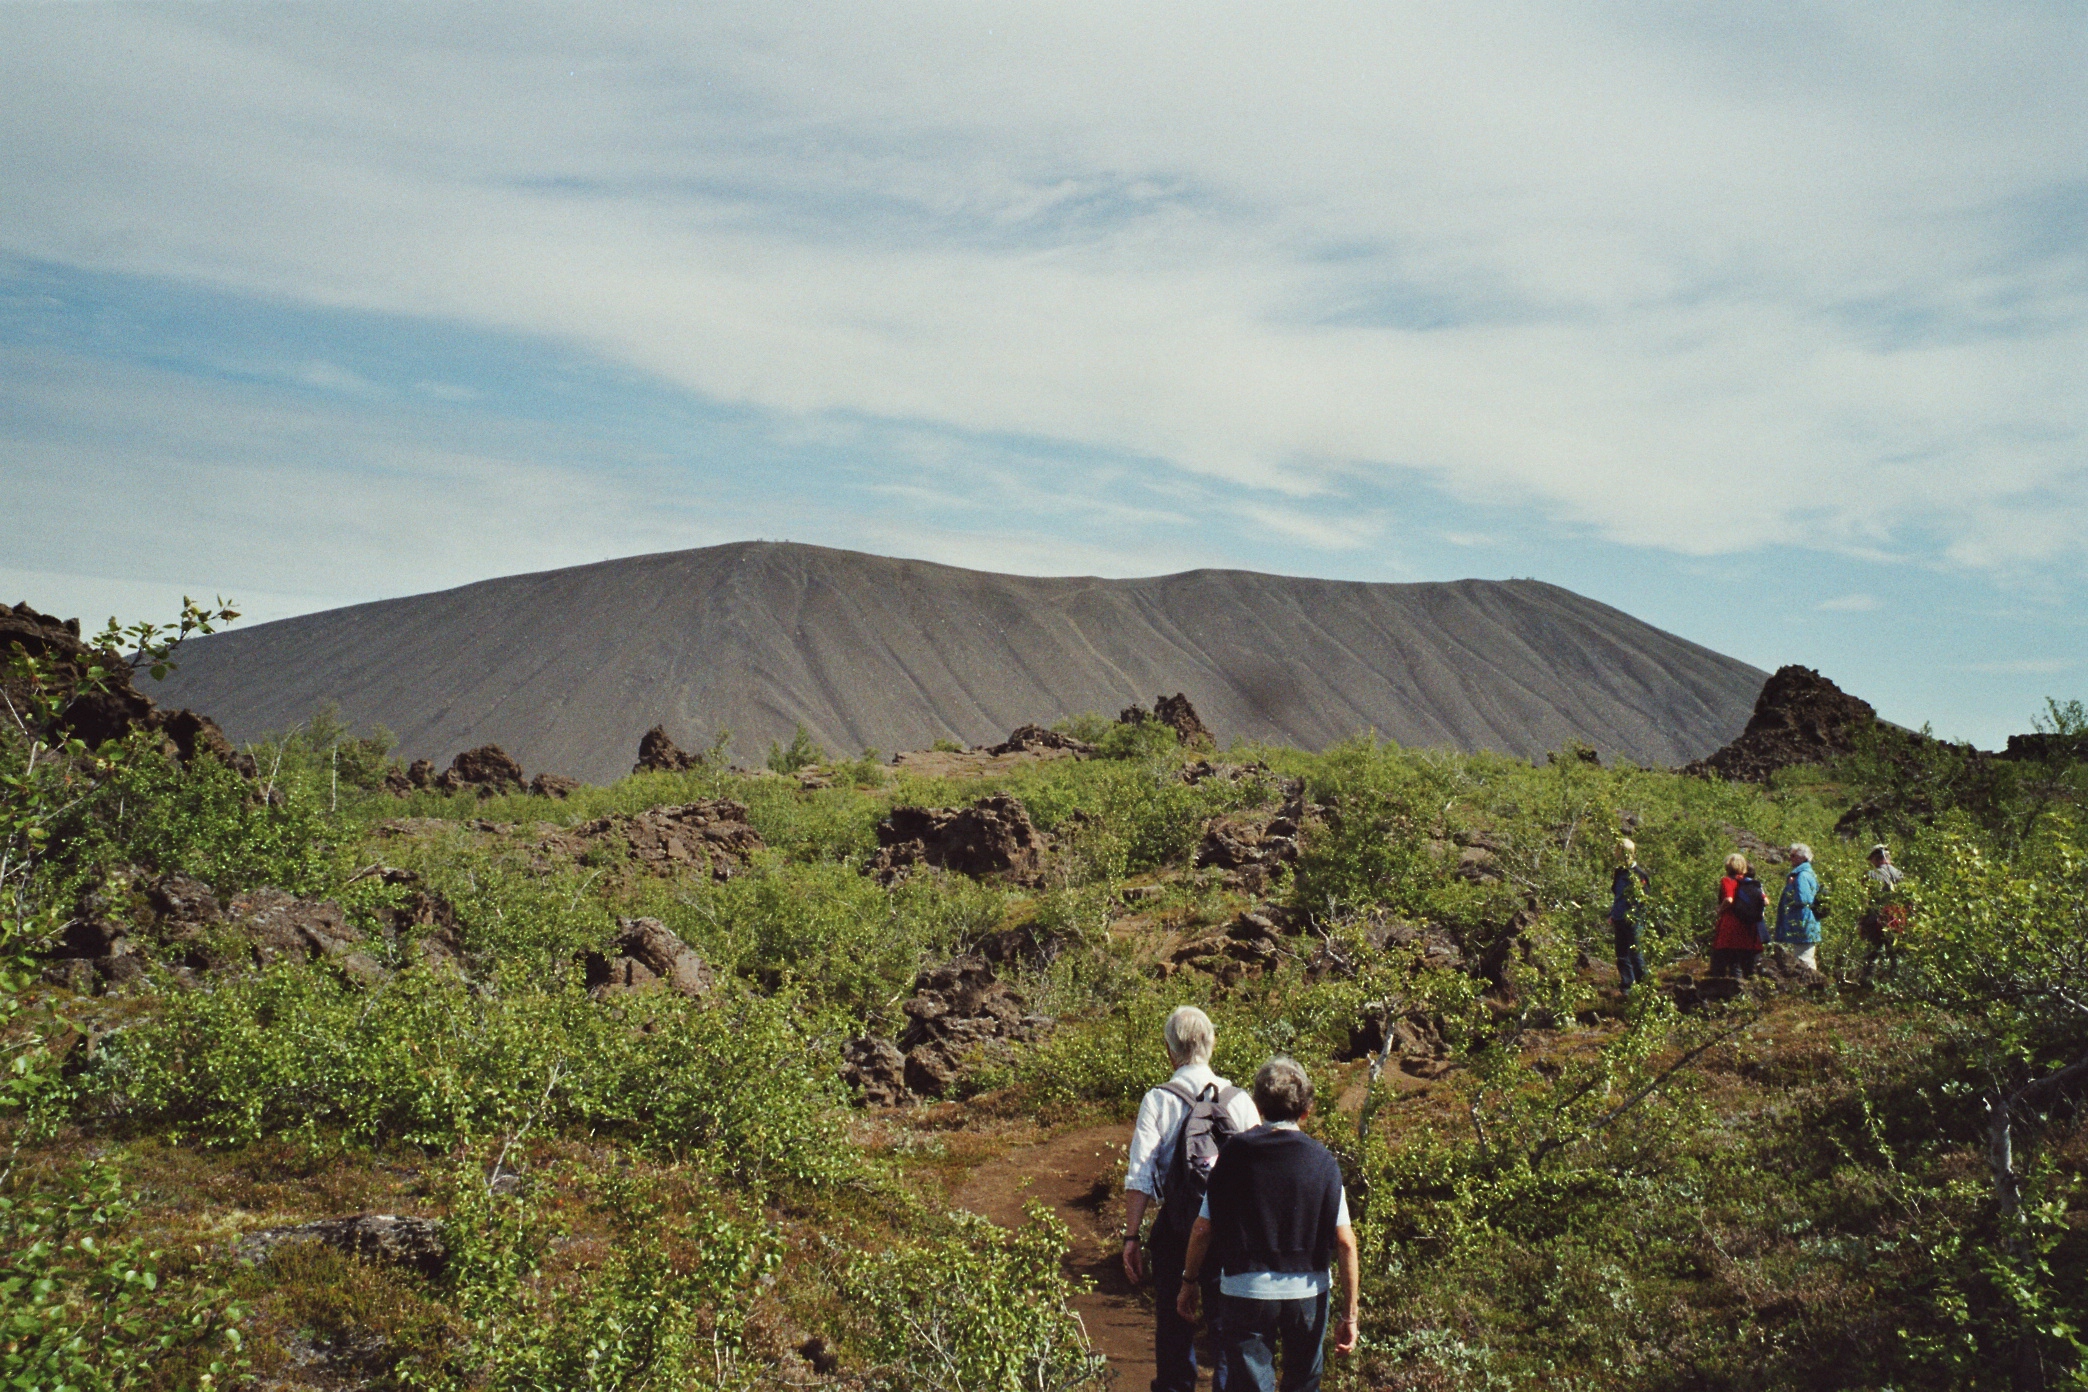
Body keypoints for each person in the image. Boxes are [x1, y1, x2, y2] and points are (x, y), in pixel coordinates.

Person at [1175, 1058, 1359, 1392]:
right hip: (1308, 1291)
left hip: (1246, 1290)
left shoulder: (1232, 1155)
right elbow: (1345, 1242)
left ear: (1258, 1106)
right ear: (1306, 1109)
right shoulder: (1323, 1162)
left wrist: (1189, 1281)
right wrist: (1350, 1315)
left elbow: (1202, 1229)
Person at [1123, 1005, 1263, 1392]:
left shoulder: (1158, 1099)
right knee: (1226, 1329)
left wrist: (1131, 1236)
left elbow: (1141, 1173)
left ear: (1170, 1050)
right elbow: (1258, 1175)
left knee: (1173, 1324)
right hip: (1229, 1232)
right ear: (1211, 1045)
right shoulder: (1239, 1100)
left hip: (1177, 1228)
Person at [1710, 852, 1767, 978]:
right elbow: (1766, 901)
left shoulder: (1727, 881)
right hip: (1748, 927)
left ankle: (1727, 993)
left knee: (1726, 963)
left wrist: (1719, 909)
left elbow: (1729, 899)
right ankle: (1746, 992)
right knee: (1746, 964)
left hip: (1730, 925)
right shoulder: (1750, 882)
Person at [1859, 843, 1907, 981]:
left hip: (1876, 919)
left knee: (1873, 951)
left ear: (1876, 858)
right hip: (1898, 919)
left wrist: (1862, 920)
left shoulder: (1871, 875)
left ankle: (1867, 981)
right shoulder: (1899, 874)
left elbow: (1866, 900)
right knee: (1896, 953)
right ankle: (1898, 982)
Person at [1609, 839, 1652, 989]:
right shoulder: (1619, 873)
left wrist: (1637, 916)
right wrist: (1612, 914)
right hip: (1619, 918)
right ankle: (1627, 986)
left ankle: (1645, 987)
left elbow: (1645, 899)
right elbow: (1617, 895)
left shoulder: (1640, 875)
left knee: (1635, 954)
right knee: (1621, 955)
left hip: (1634, 920)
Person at [1775, 842, 1823, 970]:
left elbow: (1803, 899)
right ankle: (1812, 987)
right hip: (1807, 924)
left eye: (1793, 855)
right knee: (1805, 958)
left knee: (1804, 960)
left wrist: (1791, 887)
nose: (1790, 858)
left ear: (1802, 858)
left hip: (1803, 924)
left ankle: (1810, 988)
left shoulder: (1801, 876)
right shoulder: (1809, 873)